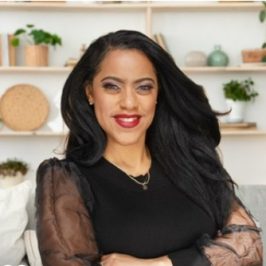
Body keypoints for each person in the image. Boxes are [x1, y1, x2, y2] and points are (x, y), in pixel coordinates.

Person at [35, 30, 263, 266]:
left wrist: (159, 264)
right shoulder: (65, 181)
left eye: (143, 87)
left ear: (157, 94)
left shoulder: (193, 161)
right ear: (90, 92)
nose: (129, 102)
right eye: (112, 86)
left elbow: (249, 247)